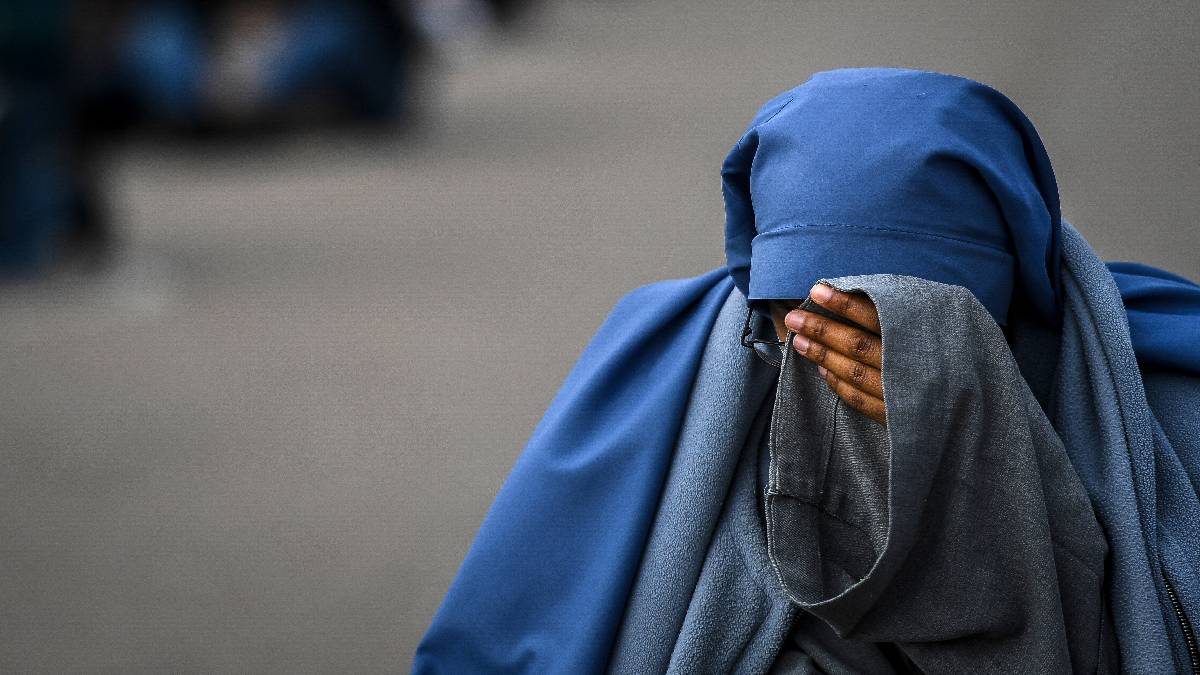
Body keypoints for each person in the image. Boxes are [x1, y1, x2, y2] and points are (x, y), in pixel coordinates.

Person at [413, 68, 1200, 673]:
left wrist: (964, 421)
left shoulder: (1164, 385)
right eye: (808, 316)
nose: (837, 356)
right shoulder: (667, 370)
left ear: (1008, 301)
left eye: (907, 325)